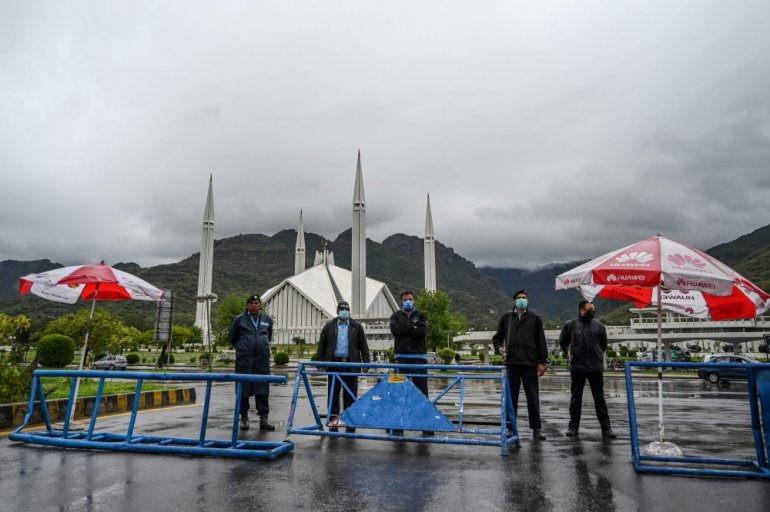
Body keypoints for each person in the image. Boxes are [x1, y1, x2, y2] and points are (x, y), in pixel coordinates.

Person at [492, 289, 548, 440]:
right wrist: (499, 347)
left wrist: (542, 362)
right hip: (512, 363)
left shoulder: (535, 318)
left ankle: (536, 429)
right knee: (512, 397)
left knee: (533, 397)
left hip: (530, 363)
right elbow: (497, 338)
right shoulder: (507, 318)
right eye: (519, 298)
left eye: (524, 298)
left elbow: (541, 341)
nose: (522, 300)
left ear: (527, 300)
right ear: (514, 301)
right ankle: (510, 427)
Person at [559, 300, 616, 439]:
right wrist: (571, 353)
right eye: (589, 309)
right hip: (577, 367)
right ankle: (573, 428)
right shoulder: (570, 325)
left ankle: (606, 429)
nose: (592, 312)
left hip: (595, 368)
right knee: (575, 399)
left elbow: (603, 345)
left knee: (600, 398)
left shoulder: (599, 326)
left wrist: (594, 355)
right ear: (581, 310)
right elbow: (562, 342)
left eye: (593, 309)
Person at [316, 300, 370, 433]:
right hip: (334, 364)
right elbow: (322, 345)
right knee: (333, 394)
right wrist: (320, 363)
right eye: (342, 309)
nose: (344, 312)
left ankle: (350, 422)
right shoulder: (329, 326)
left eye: (346, 309)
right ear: (337, 311)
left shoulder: (356, 327)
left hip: (351, 364)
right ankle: (334, 422)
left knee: (350, 395)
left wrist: (366, 362)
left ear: (349, 311)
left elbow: (364, 346)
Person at [229, 294, 275, 431]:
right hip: (245, 361)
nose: (254, 305)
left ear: (260, 304)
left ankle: (264, 418)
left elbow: (269, 336)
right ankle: (244, 418)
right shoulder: (240, 320)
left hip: (262, 360)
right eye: (252, 303)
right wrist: (244, 349)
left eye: (257, 303)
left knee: (262, 389)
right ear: (247, 305)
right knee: (243, 389)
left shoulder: (267, 319)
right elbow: (233, 339)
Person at [389, 290, 431, 436]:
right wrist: (412, 327)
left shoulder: (421, 316)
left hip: (418, 358)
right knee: (399, 392)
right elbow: (395, 331)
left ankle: (426, 424)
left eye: (410, 299)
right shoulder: (395, 316)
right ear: (401, 301)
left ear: (414, 300)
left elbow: (422, 332)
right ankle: (398, 425)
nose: (408, 301)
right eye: (405, 299)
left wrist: (405, 329)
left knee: (422, 392)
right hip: (401, 358)